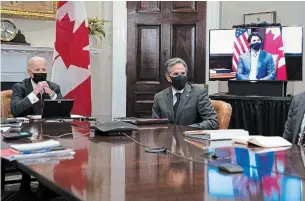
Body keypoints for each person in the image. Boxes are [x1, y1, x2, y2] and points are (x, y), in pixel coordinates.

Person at [152, 58, 218, 129]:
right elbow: (155, 125)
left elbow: (212, 122)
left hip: (191, 138)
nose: (180, 77)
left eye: (183, 73)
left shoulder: (199, 93)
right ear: (168, 77)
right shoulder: (159, 97)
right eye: (176, 74)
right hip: (167, 138)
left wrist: (186, 129)